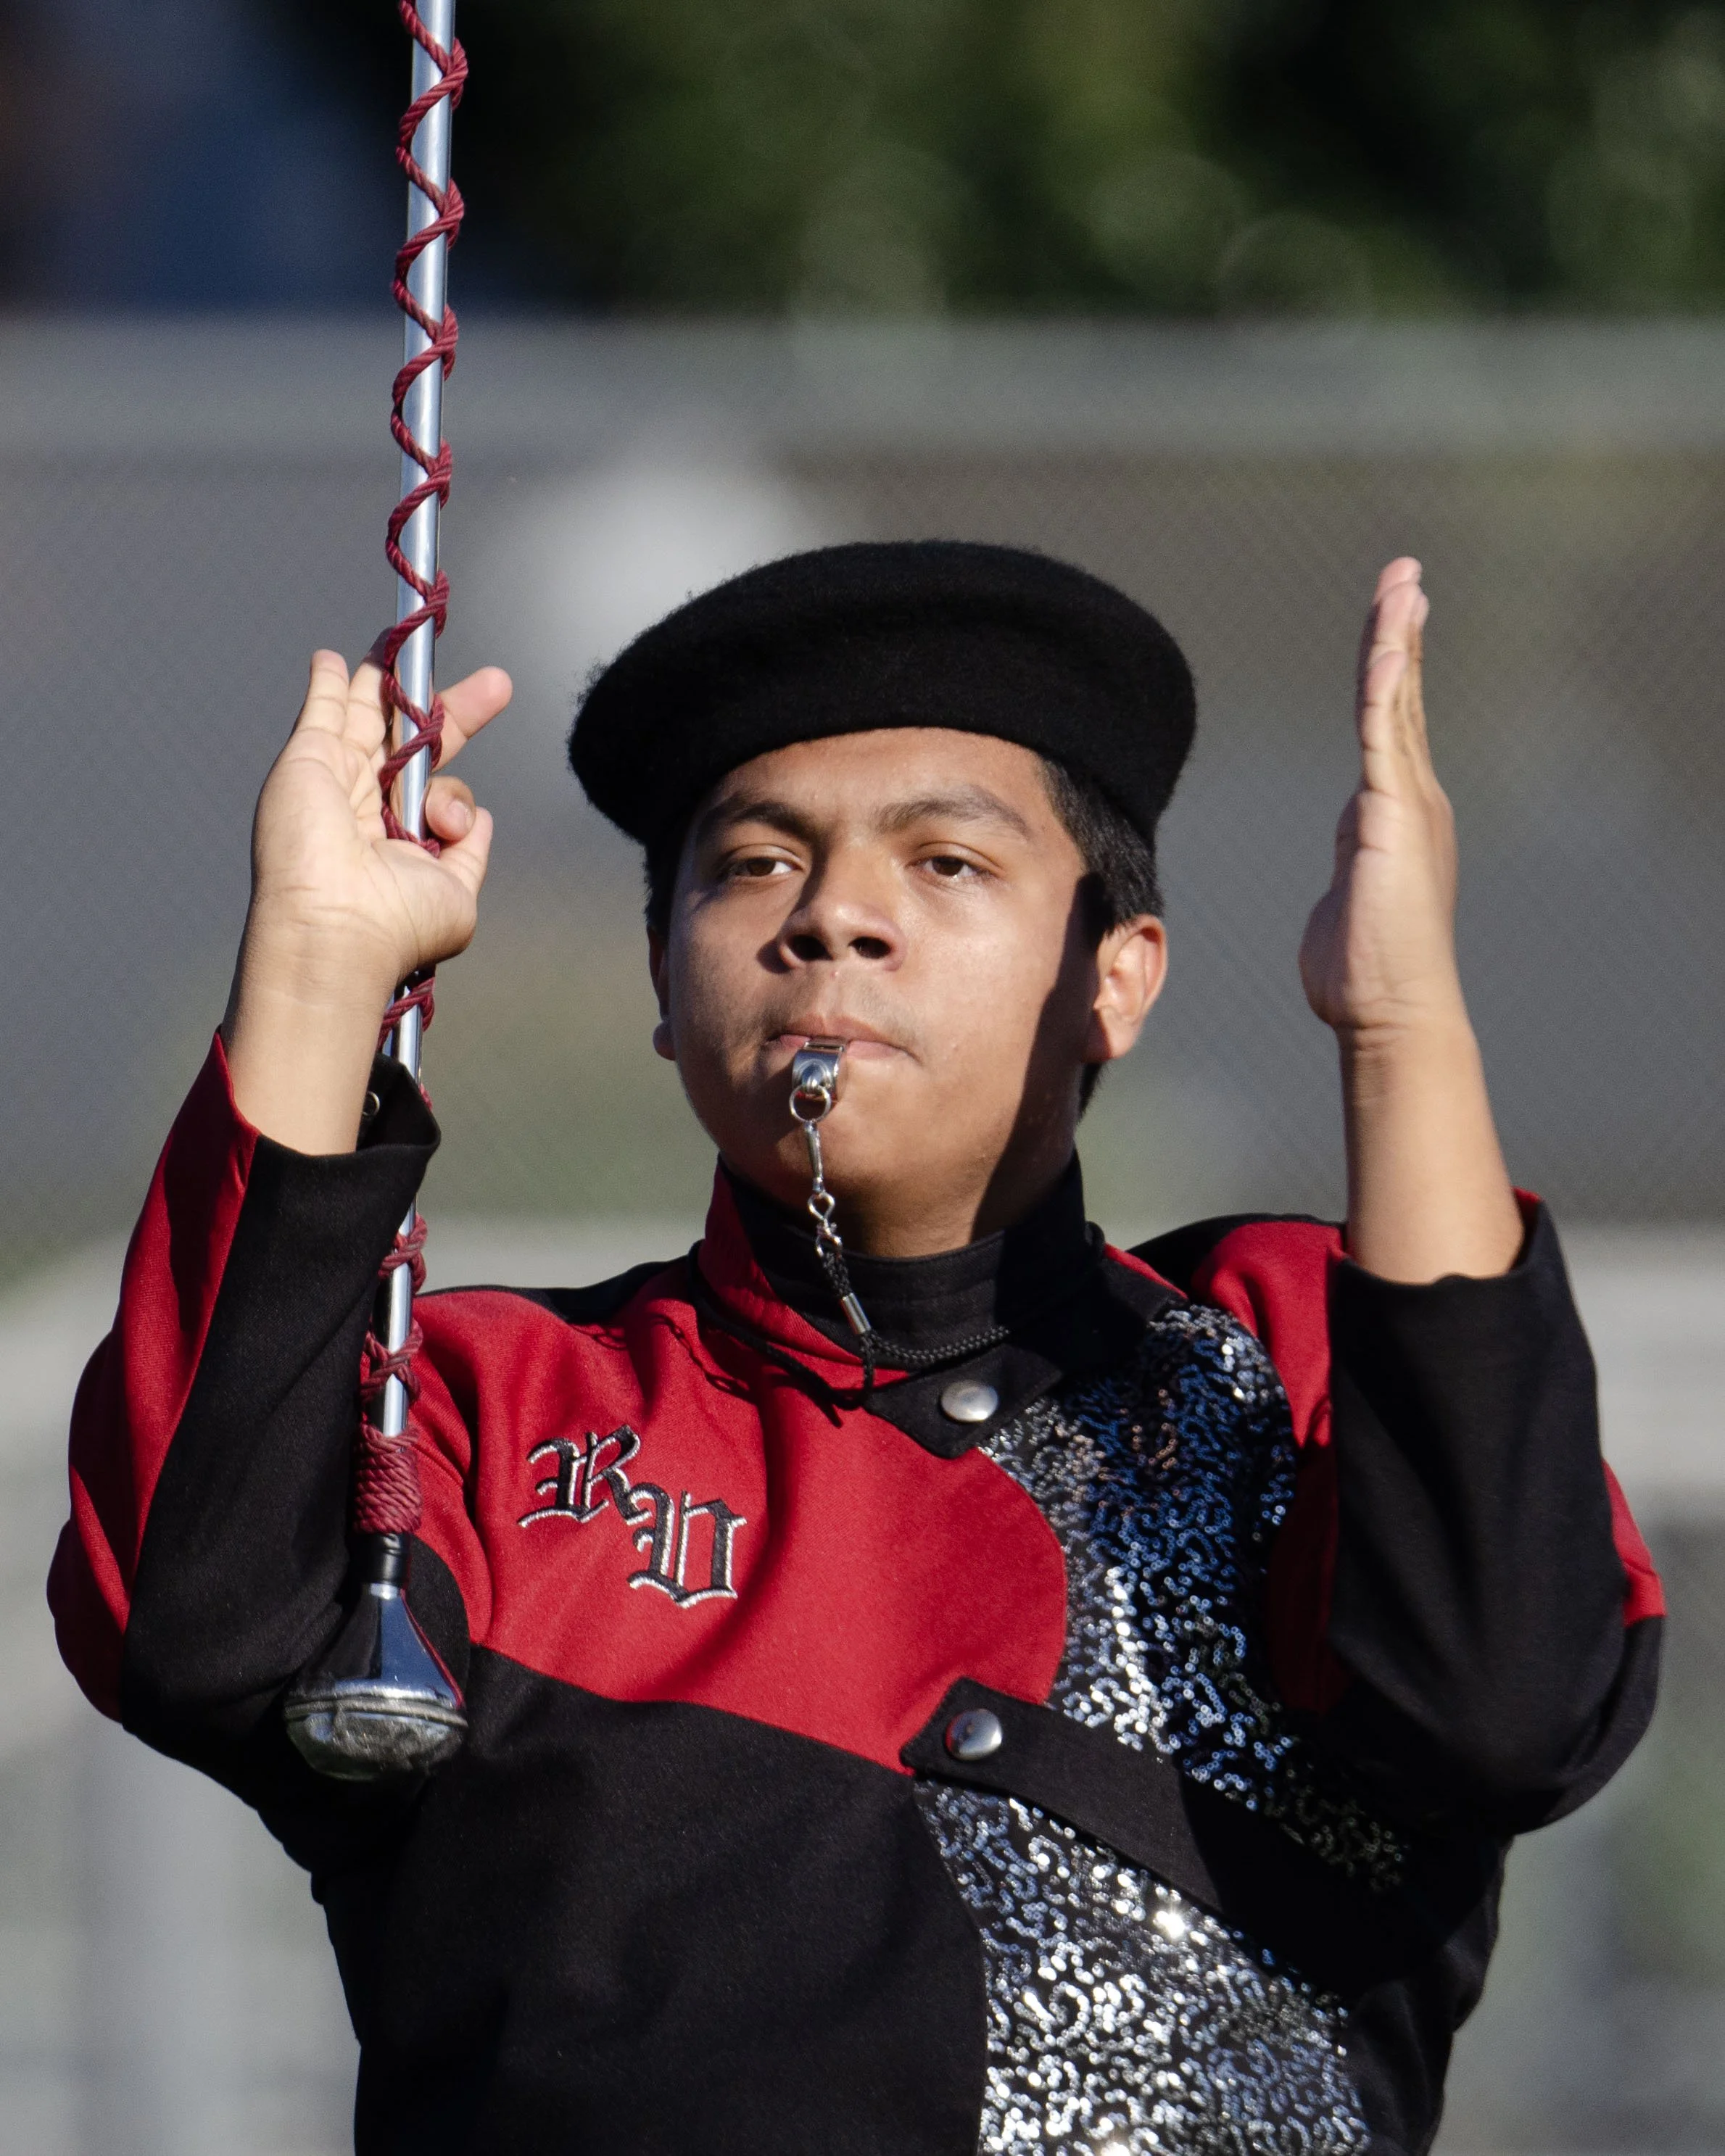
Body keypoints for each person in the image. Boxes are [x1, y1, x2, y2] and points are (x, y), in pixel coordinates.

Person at [49, 541, 1661, 2156]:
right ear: (667, 989)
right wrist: (323, 972)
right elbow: (190, 1628)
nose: (831, 915)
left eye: (948, 861)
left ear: (1118, 975)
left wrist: (1402, 1026)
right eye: (750, 864)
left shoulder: (1275, 1352)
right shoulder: (487, 1404)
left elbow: (1502, 1696)